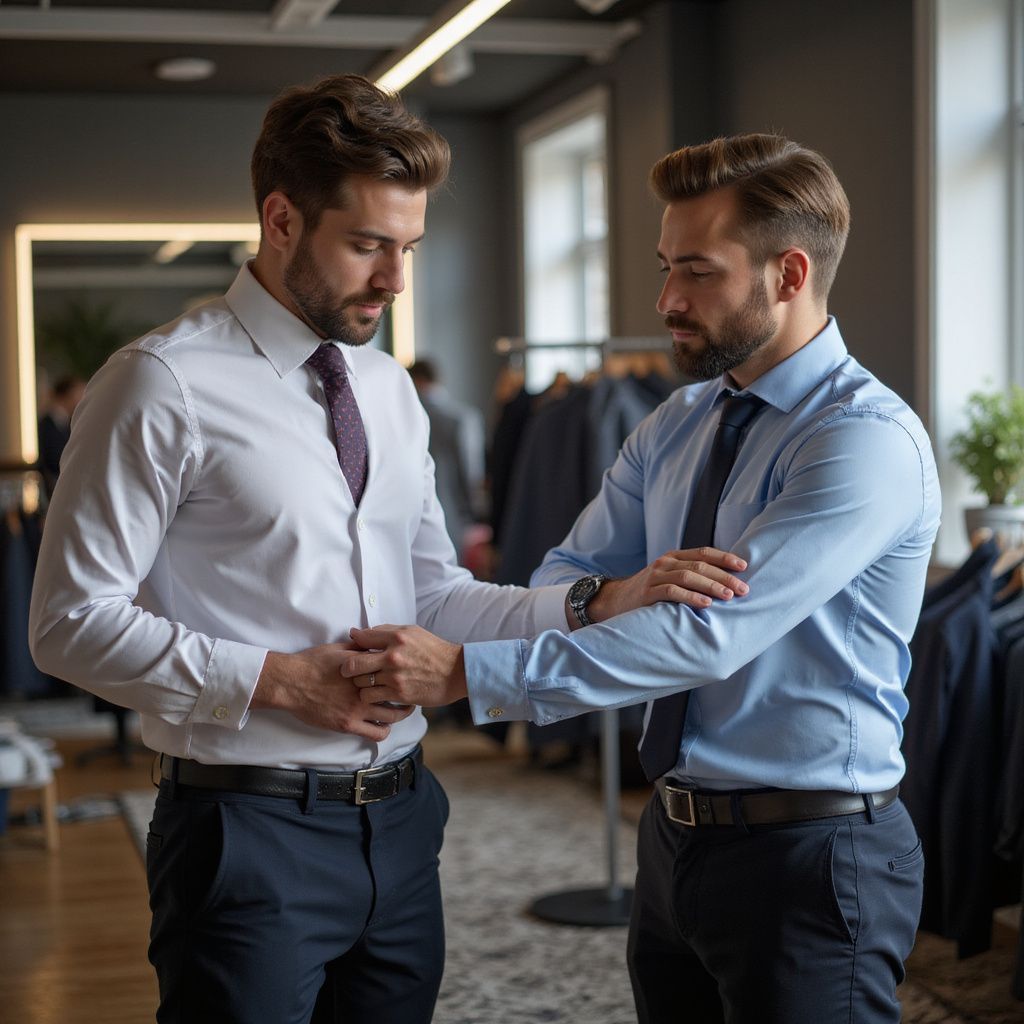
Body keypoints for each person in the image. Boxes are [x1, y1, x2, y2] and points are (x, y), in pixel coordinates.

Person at [27, 75, 750, 1024]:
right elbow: (67, 625)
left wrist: (596, 600)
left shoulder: (387, 392)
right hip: (246, 830)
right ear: (280, 219)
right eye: (368, 245)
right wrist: (280, 681)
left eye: (408, 247)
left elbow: (434, 595)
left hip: (404, 820)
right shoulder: (162, 384)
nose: (396, 280)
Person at [343, 133, 942, 1024]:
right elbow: (569, 573)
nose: (666, 299)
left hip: (813, 852)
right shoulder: (679, 420)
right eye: (667, 267)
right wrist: (615, 594)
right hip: (672, 836)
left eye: (697, 272)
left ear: (788, 273)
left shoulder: (862, 442)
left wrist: (466, 673)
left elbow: (706, 636)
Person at [407, 358, 485, 562]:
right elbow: (470, 474)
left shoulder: (403, 416)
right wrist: (474, 513)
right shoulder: (462, 418)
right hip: (452, 513)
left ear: (416, 380)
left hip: (408, 514)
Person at [36, 373, 85, 497]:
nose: (82, 399)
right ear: (69, 394)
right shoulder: (46, 424)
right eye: (79, 394)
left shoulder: (67, 422)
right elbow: (52, 458)